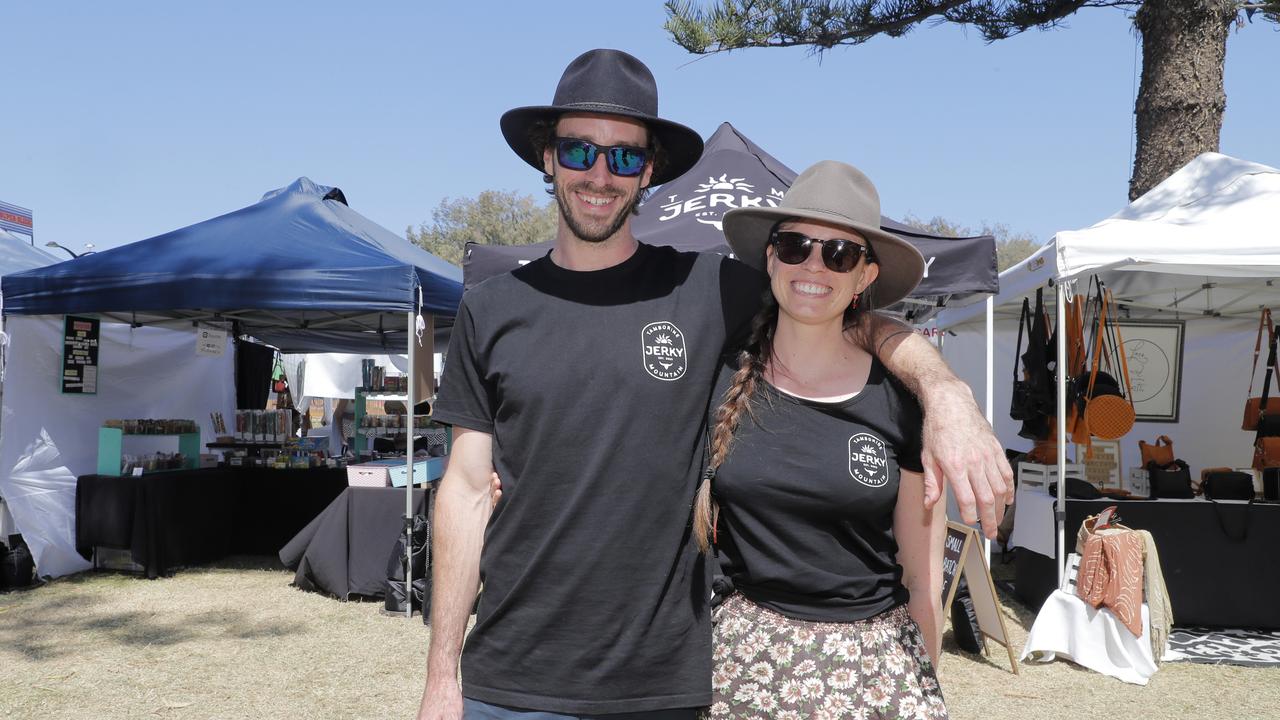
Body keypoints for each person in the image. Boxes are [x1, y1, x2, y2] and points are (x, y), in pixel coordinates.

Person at [419, 49, 1009, 720]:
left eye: (624, 157)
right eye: (579, 152)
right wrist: (442, 677)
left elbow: (837, 307)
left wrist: (945, 394)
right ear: (547, 158)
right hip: (510, 682)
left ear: (650, 170)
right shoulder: (490, 308)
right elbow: (465, 492)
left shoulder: (710, 289)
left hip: (664, 687)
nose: (600, 175)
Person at [697, 160, 947, 718]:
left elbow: (923, 581)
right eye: (795, 246)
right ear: (770, 257)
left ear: (864, 277)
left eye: (840, 254)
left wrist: (926, 688)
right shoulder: (716, 384)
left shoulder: (902, 401)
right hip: (745, 669)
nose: (814, 265)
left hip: (874, 672)